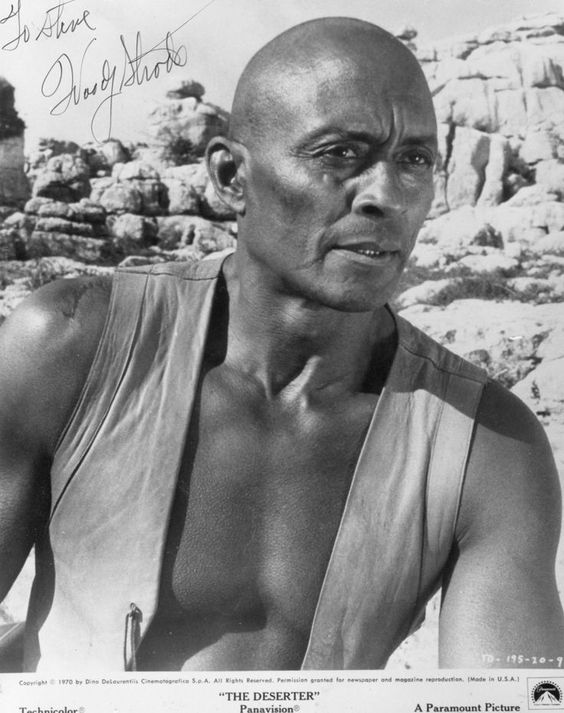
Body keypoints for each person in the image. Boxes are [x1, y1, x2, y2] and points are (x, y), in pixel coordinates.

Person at [0, 17, 563, 673]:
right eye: (339, 154)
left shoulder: (487, 445)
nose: (386, 196)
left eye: (414, 160)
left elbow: (508, 699)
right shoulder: (73, 347)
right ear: (230, 176)